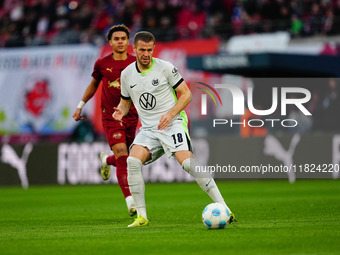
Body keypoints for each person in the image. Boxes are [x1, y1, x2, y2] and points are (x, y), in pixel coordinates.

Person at [113, 31, 236, 227]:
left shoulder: (165, 68)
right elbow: (125, 103)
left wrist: (170, 114)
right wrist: (121, 111)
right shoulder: (126, 74)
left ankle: (224, 207)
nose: (146, 54)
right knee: (132, 161)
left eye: (150, 50)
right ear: (134, 49)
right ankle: (142, 217)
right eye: (142, 50)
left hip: (172, 124)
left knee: (188, 164)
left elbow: (186, 95)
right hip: (148, 130)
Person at [72, 24, 138, 216]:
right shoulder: (102, 64)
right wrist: (80, 105)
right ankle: (130, 201)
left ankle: (106, 160)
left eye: (123, 39)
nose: (120, 42)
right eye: (116, 39)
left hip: (131, 116)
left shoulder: (136, 64)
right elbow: (93, 85)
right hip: (110, 116)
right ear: (110, 42)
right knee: (124, 157)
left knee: (127, 159)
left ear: (128, 42)